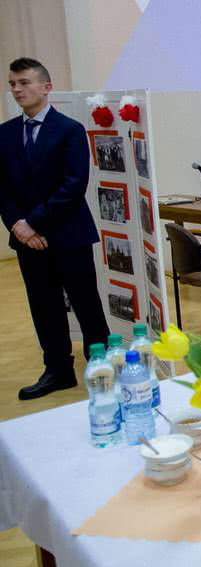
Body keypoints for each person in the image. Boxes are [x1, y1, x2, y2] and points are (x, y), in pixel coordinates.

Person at [0, 58, 109, 400]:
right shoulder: (4, 133)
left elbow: (74, 185)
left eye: (24, 82)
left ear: (46, 87)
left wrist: (33, 222)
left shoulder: (70, 129)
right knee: (43, 306)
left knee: (86, 304)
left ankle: (101, 368)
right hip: (26, 240)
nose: (17, 89)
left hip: (68, 235)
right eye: (12, 83)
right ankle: (58, 370)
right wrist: (19, 226)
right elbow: (1, 188)